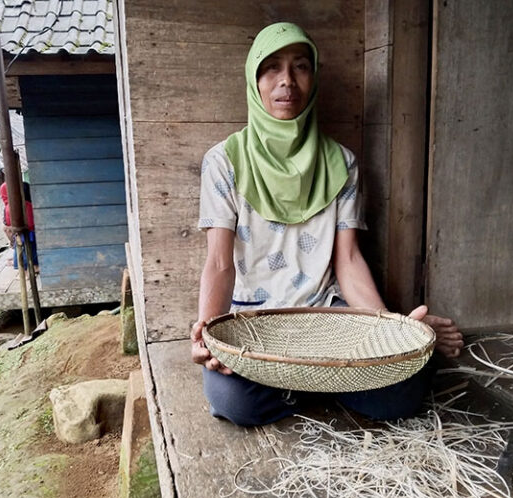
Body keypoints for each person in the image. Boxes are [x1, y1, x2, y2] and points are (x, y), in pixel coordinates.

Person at [190, 23, 464, 427]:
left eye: (301, 66)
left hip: (327, 320)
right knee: (232, 401)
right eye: (271, 68)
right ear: (254, 81)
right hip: (254, 323)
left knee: (406, 391)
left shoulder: (342, 164)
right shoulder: (224, 162)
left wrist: (393, 334)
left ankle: (299, 384)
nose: (287, 81)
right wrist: (207, 337)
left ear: (313, 78)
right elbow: (219, 263)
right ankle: (323, 384)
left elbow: (348, 261)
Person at [0, 181, 38, 272]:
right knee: (28, 250)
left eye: (2, 195)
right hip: (29, 233)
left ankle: (27, 269)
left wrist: (12, 240)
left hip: (22, 234)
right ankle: (29, 268)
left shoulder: (10, 207)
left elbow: (8, 226)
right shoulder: (28, 204)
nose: (2, 197)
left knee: (22, 251)